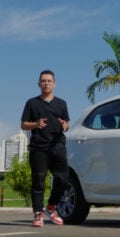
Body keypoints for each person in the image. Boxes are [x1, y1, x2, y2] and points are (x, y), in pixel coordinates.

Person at [21, 70, 70, 227]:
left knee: (63, 179)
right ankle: (37, 215)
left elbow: (67, 124)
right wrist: (35, 124)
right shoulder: (32, 103)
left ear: (54, 84)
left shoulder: (61, 103)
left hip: (57, 146)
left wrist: (65, 125)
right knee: (38, 180)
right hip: (38, 147)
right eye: (43, 81)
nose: (46, 83)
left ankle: (51, 207)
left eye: (49, 80)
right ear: (39, 84)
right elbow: (23, 124)